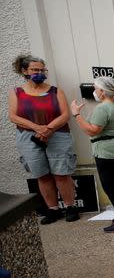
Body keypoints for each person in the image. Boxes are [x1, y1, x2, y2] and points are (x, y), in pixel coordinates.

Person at [8, 55, 79, 224]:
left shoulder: (56, 91)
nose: (39, 73)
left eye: (42, 70)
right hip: (28, 137)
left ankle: (70, 207)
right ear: (24, 71)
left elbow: (65, 115)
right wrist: (36, 128)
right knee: (42, 175)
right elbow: (13, 116)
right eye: (35, 70)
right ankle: (53, 210)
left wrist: (48, 129)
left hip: (58, 134)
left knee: (62, 173)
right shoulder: (16, 92)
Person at [70, 77, 114, 232]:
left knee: (111, 186)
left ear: (102, 91)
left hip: (107, 151)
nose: (94, 92)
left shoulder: (103, 108)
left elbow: (93, 130)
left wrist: (76, 115)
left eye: (96, 88)